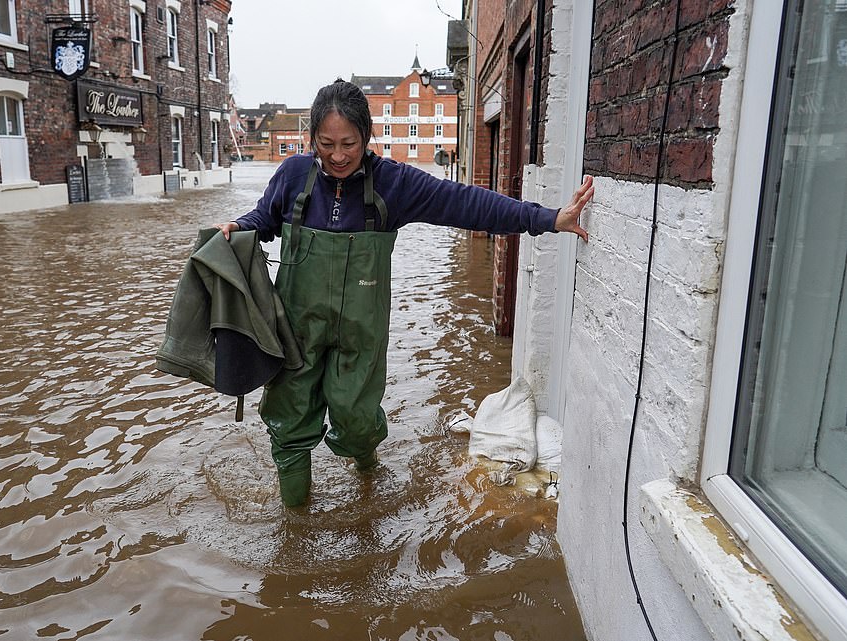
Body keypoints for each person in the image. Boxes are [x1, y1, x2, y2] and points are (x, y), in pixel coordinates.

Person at [215, 79, 593, 507]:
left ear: (367, 137)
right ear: (312, 138)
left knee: (358, 422)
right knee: (288, 425)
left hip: (361, 334)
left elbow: (467, 203)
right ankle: (295, 525)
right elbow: (264, 219)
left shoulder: (393, 184)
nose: (337, 156)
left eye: (349, 144)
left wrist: (548, 218)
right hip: (295, 331)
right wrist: (237, 228)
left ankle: (367, 478)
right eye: (326, 143)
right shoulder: (292, 176)